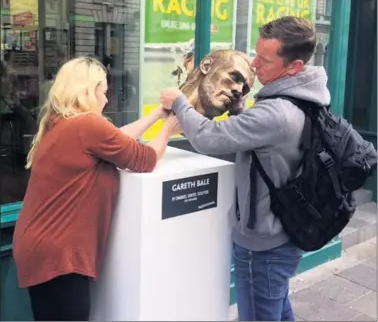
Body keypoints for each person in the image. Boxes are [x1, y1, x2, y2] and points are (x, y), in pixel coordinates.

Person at [160, 16, 331, 321]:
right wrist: (239, 113)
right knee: (277, 310)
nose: (254, 64)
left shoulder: (276, 112)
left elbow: (208, 137)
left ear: (293, 68)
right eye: (255, 54)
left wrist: (179, 105)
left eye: (264, 60)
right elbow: (265, 142)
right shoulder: (306, 98)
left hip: (264, 246)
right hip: (287, 232)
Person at [12, 56, 179, 321]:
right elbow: (145, 159)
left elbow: (117, 140)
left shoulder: (63, 121)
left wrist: (158, 114)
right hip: (58, 255)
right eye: (103, 92)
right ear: (89, 92)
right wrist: (170, 128)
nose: (106, 99)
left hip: (40, 247)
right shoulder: (88, 124)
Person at [179, 49, 255, 119]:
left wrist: (237, 112)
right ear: (206, 66)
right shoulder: (169, 108)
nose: (239, 91)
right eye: (234, 77)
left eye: (244, 89)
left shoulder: (216, 130)